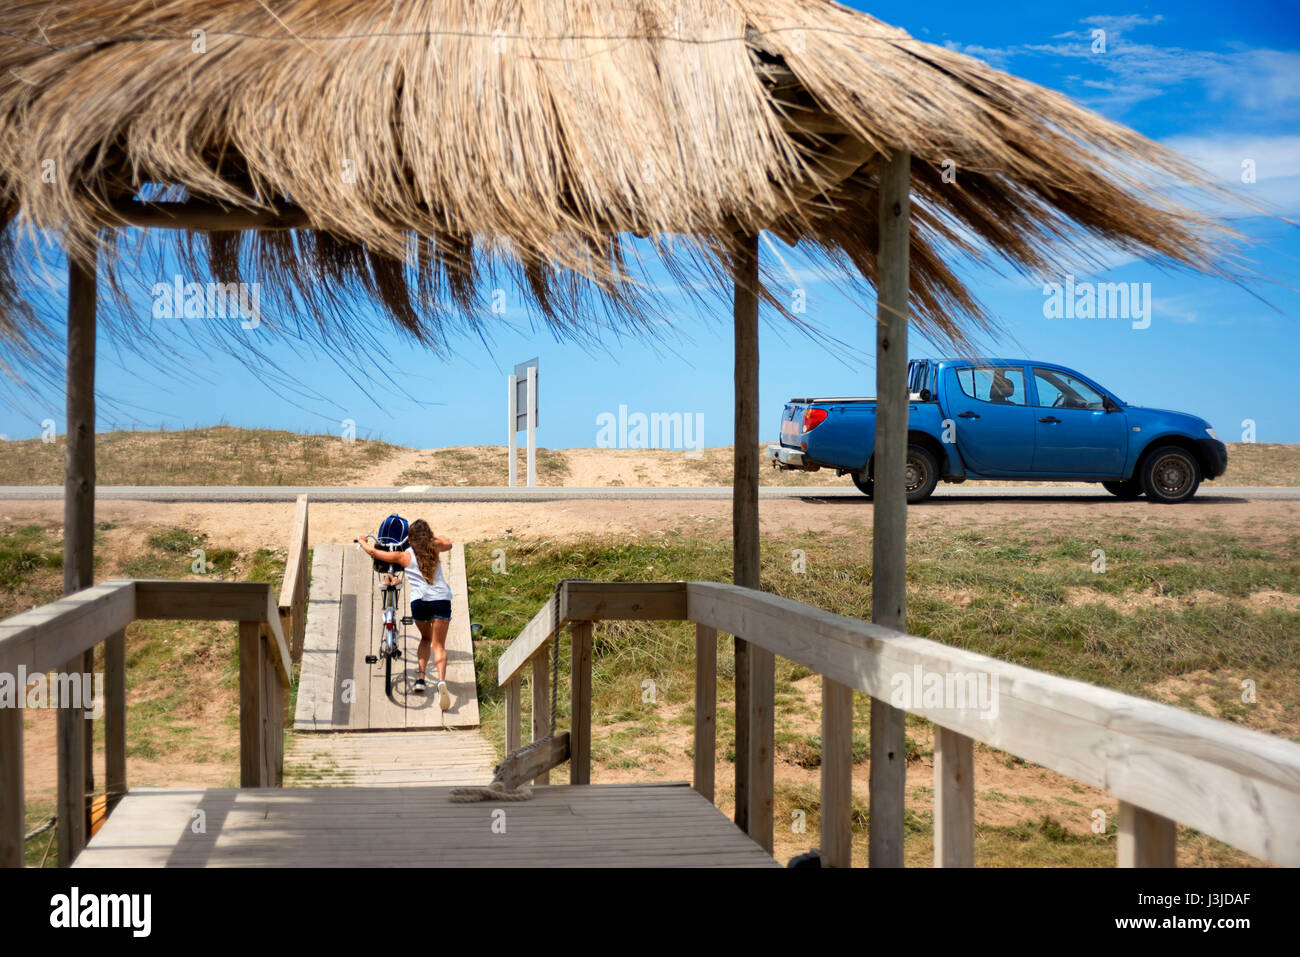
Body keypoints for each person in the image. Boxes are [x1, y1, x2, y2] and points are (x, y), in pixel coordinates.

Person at [356, 519, 454, 709]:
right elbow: (448, 542)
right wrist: (430, 538)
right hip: (441, 600)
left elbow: (375, 553)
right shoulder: (435, 547)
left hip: (420, 603)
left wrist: (362, 541)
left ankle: (420, 678)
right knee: (439, 645)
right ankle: (441, 681)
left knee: (425, 639)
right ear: (428, 535)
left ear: (410, 539)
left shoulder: (404, 556)